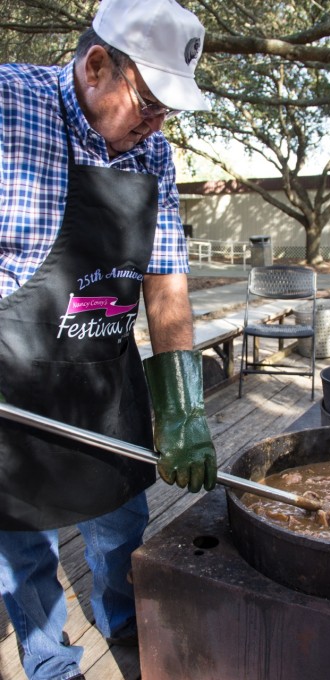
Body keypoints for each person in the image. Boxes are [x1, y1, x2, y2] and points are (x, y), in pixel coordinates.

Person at [0, 0, 217, 678]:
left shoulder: (153, 148)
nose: (156, 126)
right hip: (12, 381)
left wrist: (183, 408)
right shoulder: (7, 105)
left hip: (103, 371)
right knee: (19, 545)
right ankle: (49, 660)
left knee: (121, 524)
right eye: (148, 104)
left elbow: (166, 275)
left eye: (166, 114)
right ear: (97, 66)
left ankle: (126, 626)